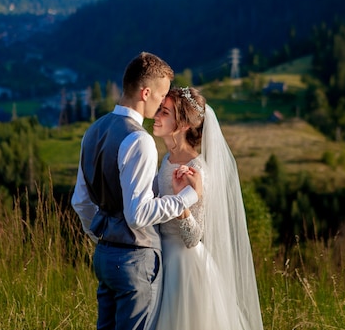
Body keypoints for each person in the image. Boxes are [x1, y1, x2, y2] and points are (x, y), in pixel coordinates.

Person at [71, 52, 203, 330]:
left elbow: (81, 201)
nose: (160, 104)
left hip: (104, 257)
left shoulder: (92, 131)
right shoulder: (139, 140)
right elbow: (138, 215)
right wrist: (187, 198)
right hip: (134, 259)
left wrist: (100, 236)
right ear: (145, 92)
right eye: (161, 95)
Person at [152, 87, 263, 330]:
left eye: (165, 112)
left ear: (181, 125)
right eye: (159, 110)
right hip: (162, 257)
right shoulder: (166, 160)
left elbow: (194, 237)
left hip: (185, 267)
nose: (156, 116)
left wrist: (183, 204)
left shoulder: (197, 170)